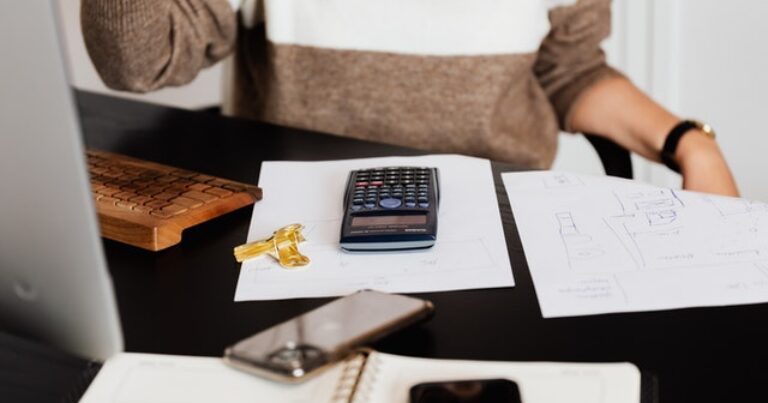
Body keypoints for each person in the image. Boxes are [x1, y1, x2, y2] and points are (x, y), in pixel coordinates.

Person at [81, 0, 738, 196]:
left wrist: (690, 143)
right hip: (291, 224)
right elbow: (140, 60)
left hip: (501, 219)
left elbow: (567, 69)